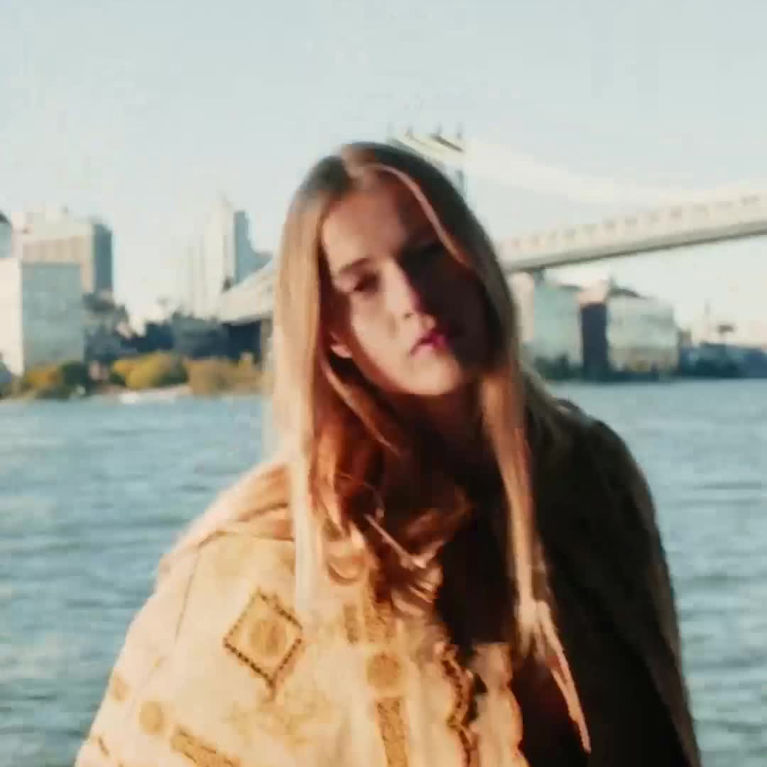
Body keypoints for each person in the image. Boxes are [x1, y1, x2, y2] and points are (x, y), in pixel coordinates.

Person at [76, 142, 700, 767]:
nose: (411, 298)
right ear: (331, 333)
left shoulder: (592, 477)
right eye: (363, 284)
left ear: (476, 260)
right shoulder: (275, 552)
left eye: (428, 254)